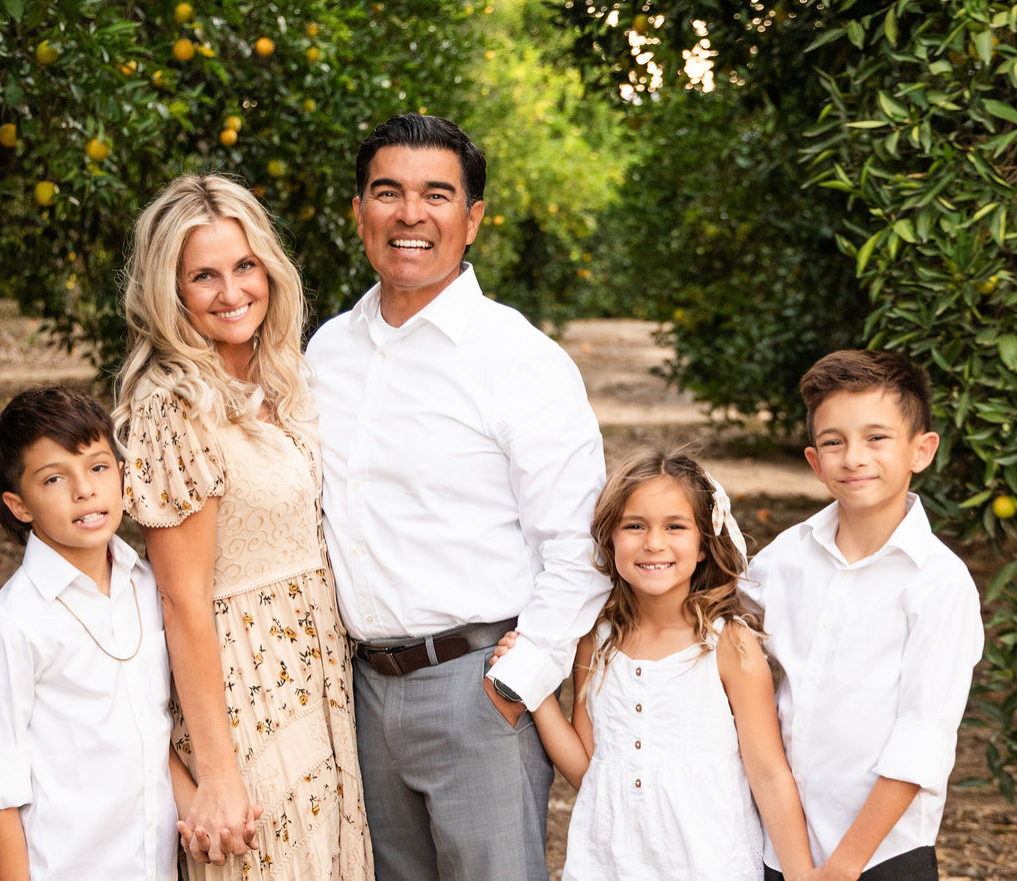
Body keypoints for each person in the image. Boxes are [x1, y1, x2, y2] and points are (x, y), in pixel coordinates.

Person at [306, 113, 610, 881]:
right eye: (388, 193)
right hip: (360, 693)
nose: (410, 214)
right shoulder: (324, 351)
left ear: (471, 218)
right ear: (359, 211)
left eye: (436, 195)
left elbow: (578, 545)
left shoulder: (520, 361)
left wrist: (515, 685)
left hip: (476, 687)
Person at [114, 174, 373, 881]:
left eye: (244, 266)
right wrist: (218, 771)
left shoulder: (283, 382)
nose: (230, 292)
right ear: (171, 291)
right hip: (245, 690)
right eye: (203, 275)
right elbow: (182, 599)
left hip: (318, 683)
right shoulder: (171, 405)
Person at [494, 450, 814, 880]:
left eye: (675, 527)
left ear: (703, 545)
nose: (654, 543)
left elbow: (769, 774)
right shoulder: (599, 639)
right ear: (611, 539)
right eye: (635, 526)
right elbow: (589, 768)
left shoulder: (727, 644)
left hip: (708, 863)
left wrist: (801, 873)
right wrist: (536, 694)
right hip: (608, 863)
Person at [747, 350, 984, 881]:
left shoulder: (939, 584)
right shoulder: (787, 556)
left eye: (876, 438)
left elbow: (922, 738)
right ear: (814, 460)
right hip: (781, 849)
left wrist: (846, 865)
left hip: (882, 857)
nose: (854, 457)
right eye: (834, 442)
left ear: (921, 451)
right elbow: (713, 619)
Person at [0, 385, 188, 881]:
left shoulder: (145, 583)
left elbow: (153, 732)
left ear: (122, 475)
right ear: (20, 505)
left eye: (98, 467)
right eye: (54, 478)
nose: (84, 490)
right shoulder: (14, 625)